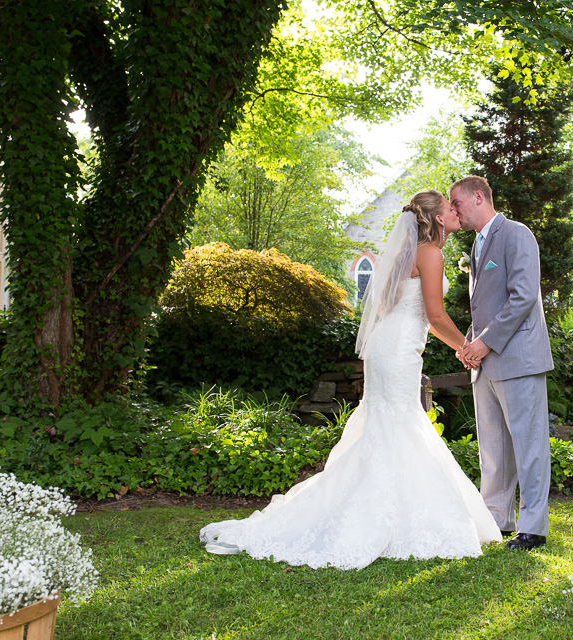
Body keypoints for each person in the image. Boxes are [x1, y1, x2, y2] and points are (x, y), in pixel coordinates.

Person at [199, 190, 501, 570]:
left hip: (388, 347)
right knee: (399, 423)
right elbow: (436, 316)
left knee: (390, 424)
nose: (456, 212)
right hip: (398, 350)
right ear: (439, 219)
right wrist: (467, 348)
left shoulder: (408, 253)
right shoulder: (430, 252)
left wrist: (457, 345)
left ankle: (384, 506)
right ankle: (386, 515)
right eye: (450, 208)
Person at [450, 175, 554, 551]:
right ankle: (497, 518)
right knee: (493, 449)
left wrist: (485, 342)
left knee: (529, 446)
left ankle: (533, 527)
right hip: (486, 363)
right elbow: (486, 306)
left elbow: (523, 296)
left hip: (518, 358)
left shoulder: (516, 234)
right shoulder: (477, 244)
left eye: (456, 202)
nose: (453, 210)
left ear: (478, 197)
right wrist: (469, 342)